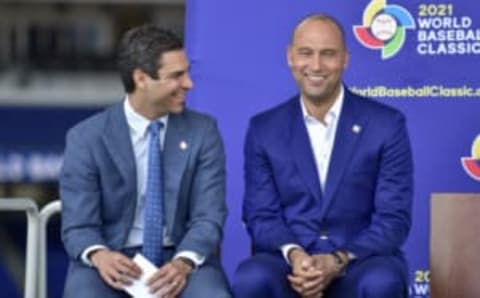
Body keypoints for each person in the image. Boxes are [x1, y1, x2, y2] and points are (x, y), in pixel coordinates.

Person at [233, 14, 413, 298]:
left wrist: (338, 259)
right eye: (306, 53)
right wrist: (296, 256)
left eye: (328, 54)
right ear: (290, 57)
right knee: (251, 278)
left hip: (360, 263)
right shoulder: (264, 129)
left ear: (345, 59)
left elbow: (393, 220)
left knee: (382, 282)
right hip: (290, 266)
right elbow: (261, 216)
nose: (316, 66)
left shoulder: (386, 125)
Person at [60, 24, 231, 298]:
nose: (189, 83)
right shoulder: (86, 138)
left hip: (181, 257)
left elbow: (208, 217)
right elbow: (78, 226)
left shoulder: (203, 132)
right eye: (177, 75)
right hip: (110, 259)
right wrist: (100, 255)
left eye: (187, 72)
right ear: (141, 78)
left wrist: (183, 262)